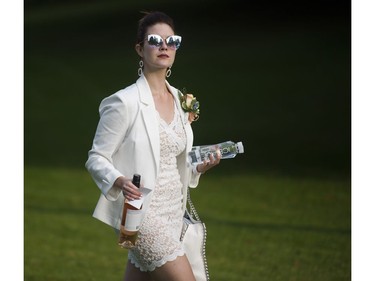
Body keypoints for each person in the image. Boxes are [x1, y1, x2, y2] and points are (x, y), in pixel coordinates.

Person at [85, 11, 221, 281]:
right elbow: (96, 157)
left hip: (175, 212)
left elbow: (170, 157)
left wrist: (199, 166)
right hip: (142, 214)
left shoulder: (181, 99)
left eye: (172, 41)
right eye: (155, 40)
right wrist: (119, 180)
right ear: (139, 48)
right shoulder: (124, 102)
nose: (164, 46)